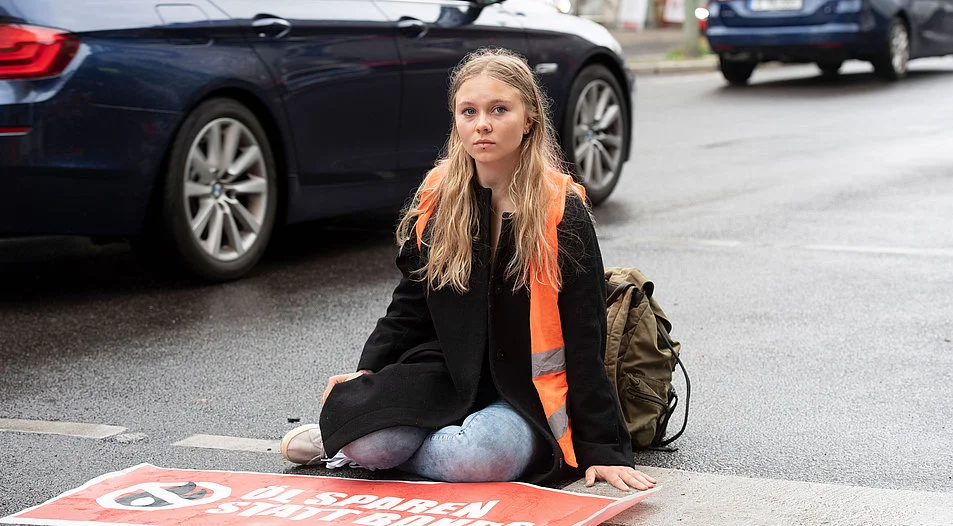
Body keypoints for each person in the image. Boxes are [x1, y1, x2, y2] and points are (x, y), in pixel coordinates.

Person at [280, 48, 656, 492]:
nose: (483, 124)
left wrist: (603, 450)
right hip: (446, 373)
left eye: (499, 110)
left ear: (529, 117)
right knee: (373, 443)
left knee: (476, 457)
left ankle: (353, 445)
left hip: (525, 394)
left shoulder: (561, 209)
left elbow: (585, 333)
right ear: (456, 120)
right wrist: (369, 375)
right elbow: (409, 304)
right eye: (469, 111)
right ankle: (355, 442)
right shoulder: (441, 194)